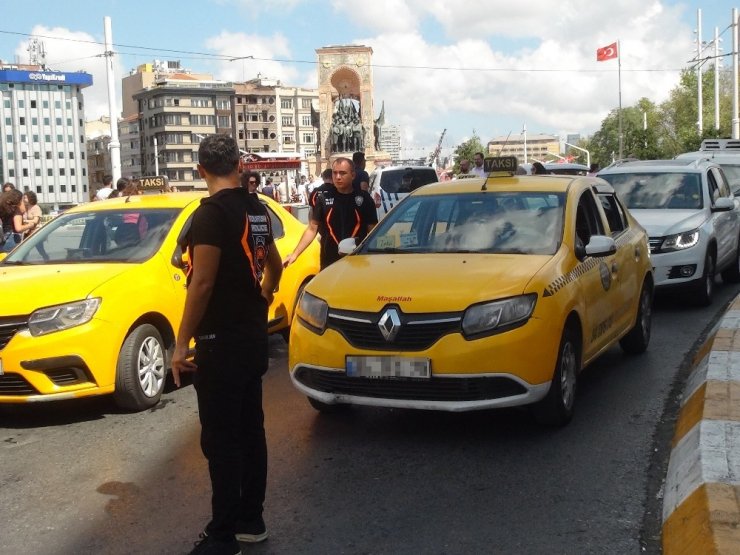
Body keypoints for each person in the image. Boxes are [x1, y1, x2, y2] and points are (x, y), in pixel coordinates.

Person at [171, 134, 282, 555]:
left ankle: (222, 535)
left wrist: (181, 344)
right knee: (251, 429)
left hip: (220, 342)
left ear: (201, 170)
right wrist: (265, 295)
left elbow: (202, 282)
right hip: (251, 337)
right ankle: (250, 521)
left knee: (221, 440)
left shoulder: (210, 215)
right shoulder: (257, 209)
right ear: (238, 163)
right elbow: (273, 267)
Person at [284, 157, 378, 270]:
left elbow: (373, 231)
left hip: (357, 263)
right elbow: (312, 229)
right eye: (335, 173)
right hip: (329, 262)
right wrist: (294, 254)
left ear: (353, 175)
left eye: (342, 173)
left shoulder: (364, 198)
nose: (338, 177)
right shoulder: (323, 198)